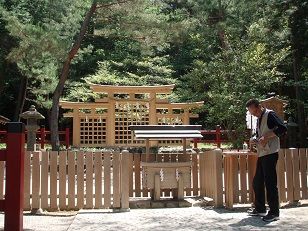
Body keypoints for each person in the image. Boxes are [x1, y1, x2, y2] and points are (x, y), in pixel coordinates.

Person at [246, 99, 287, 222]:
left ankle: (274, 212)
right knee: (257, 182)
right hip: (262, 153)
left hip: (270, 153)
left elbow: (282, 128)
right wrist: (255, 139)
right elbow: (262, 134)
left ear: (259, 107)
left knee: (270, 183)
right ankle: (260, 208)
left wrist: (266, 137)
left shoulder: (270, 114)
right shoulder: (259, 118)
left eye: (253, 111)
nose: (253, 114)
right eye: (251, 112)